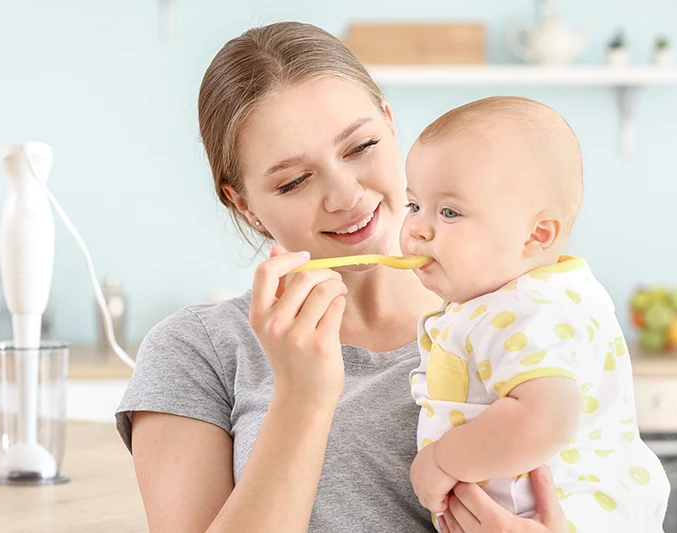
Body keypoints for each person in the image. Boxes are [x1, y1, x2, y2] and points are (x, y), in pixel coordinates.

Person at [116, 21, 567, 533]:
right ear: (245, 206)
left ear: (391, 124)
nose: (344, 195)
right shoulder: (198, 352)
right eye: (293, 181)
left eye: (360, 147)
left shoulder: (524, 312)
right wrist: (303, 394)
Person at [401, 96, 670, 533]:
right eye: (413, 205)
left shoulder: (525, 309)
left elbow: (545, 415)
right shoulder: (529, 296)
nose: (416, 228)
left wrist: (441, 459)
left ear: (536, 235)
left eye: (448, 212)